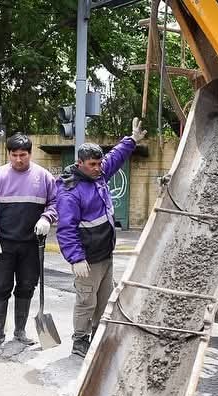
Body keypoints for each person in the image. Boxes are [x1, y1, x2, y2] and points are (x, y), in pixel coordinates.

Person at [56, 118, 146, 357]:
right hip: (87, 259)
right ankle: (79, 341)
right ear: (80, 163)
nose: (98, 168)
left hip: (105, 254)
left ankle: (97, 336)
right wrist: (76, 258)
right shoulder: (70, 192)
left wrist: (131, 140)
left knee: (105, 300)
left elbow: (114, 157)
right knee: (86, 301)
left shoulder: (98, 175)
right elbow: (66, 229)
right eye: (93, 164)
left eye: (99, 163)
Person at [0, 133, 57, 347]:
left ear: (30, 154)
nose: (18, 159)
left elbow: (56, 202)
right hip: (4, 244)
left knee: (26, 286)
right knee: (0, 287)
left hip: (32, 245)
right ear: (9, 154)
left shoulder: (44, 177)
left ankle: (20, 331)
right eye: (14, 155)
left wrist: (47, 217)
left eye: (23, 155)